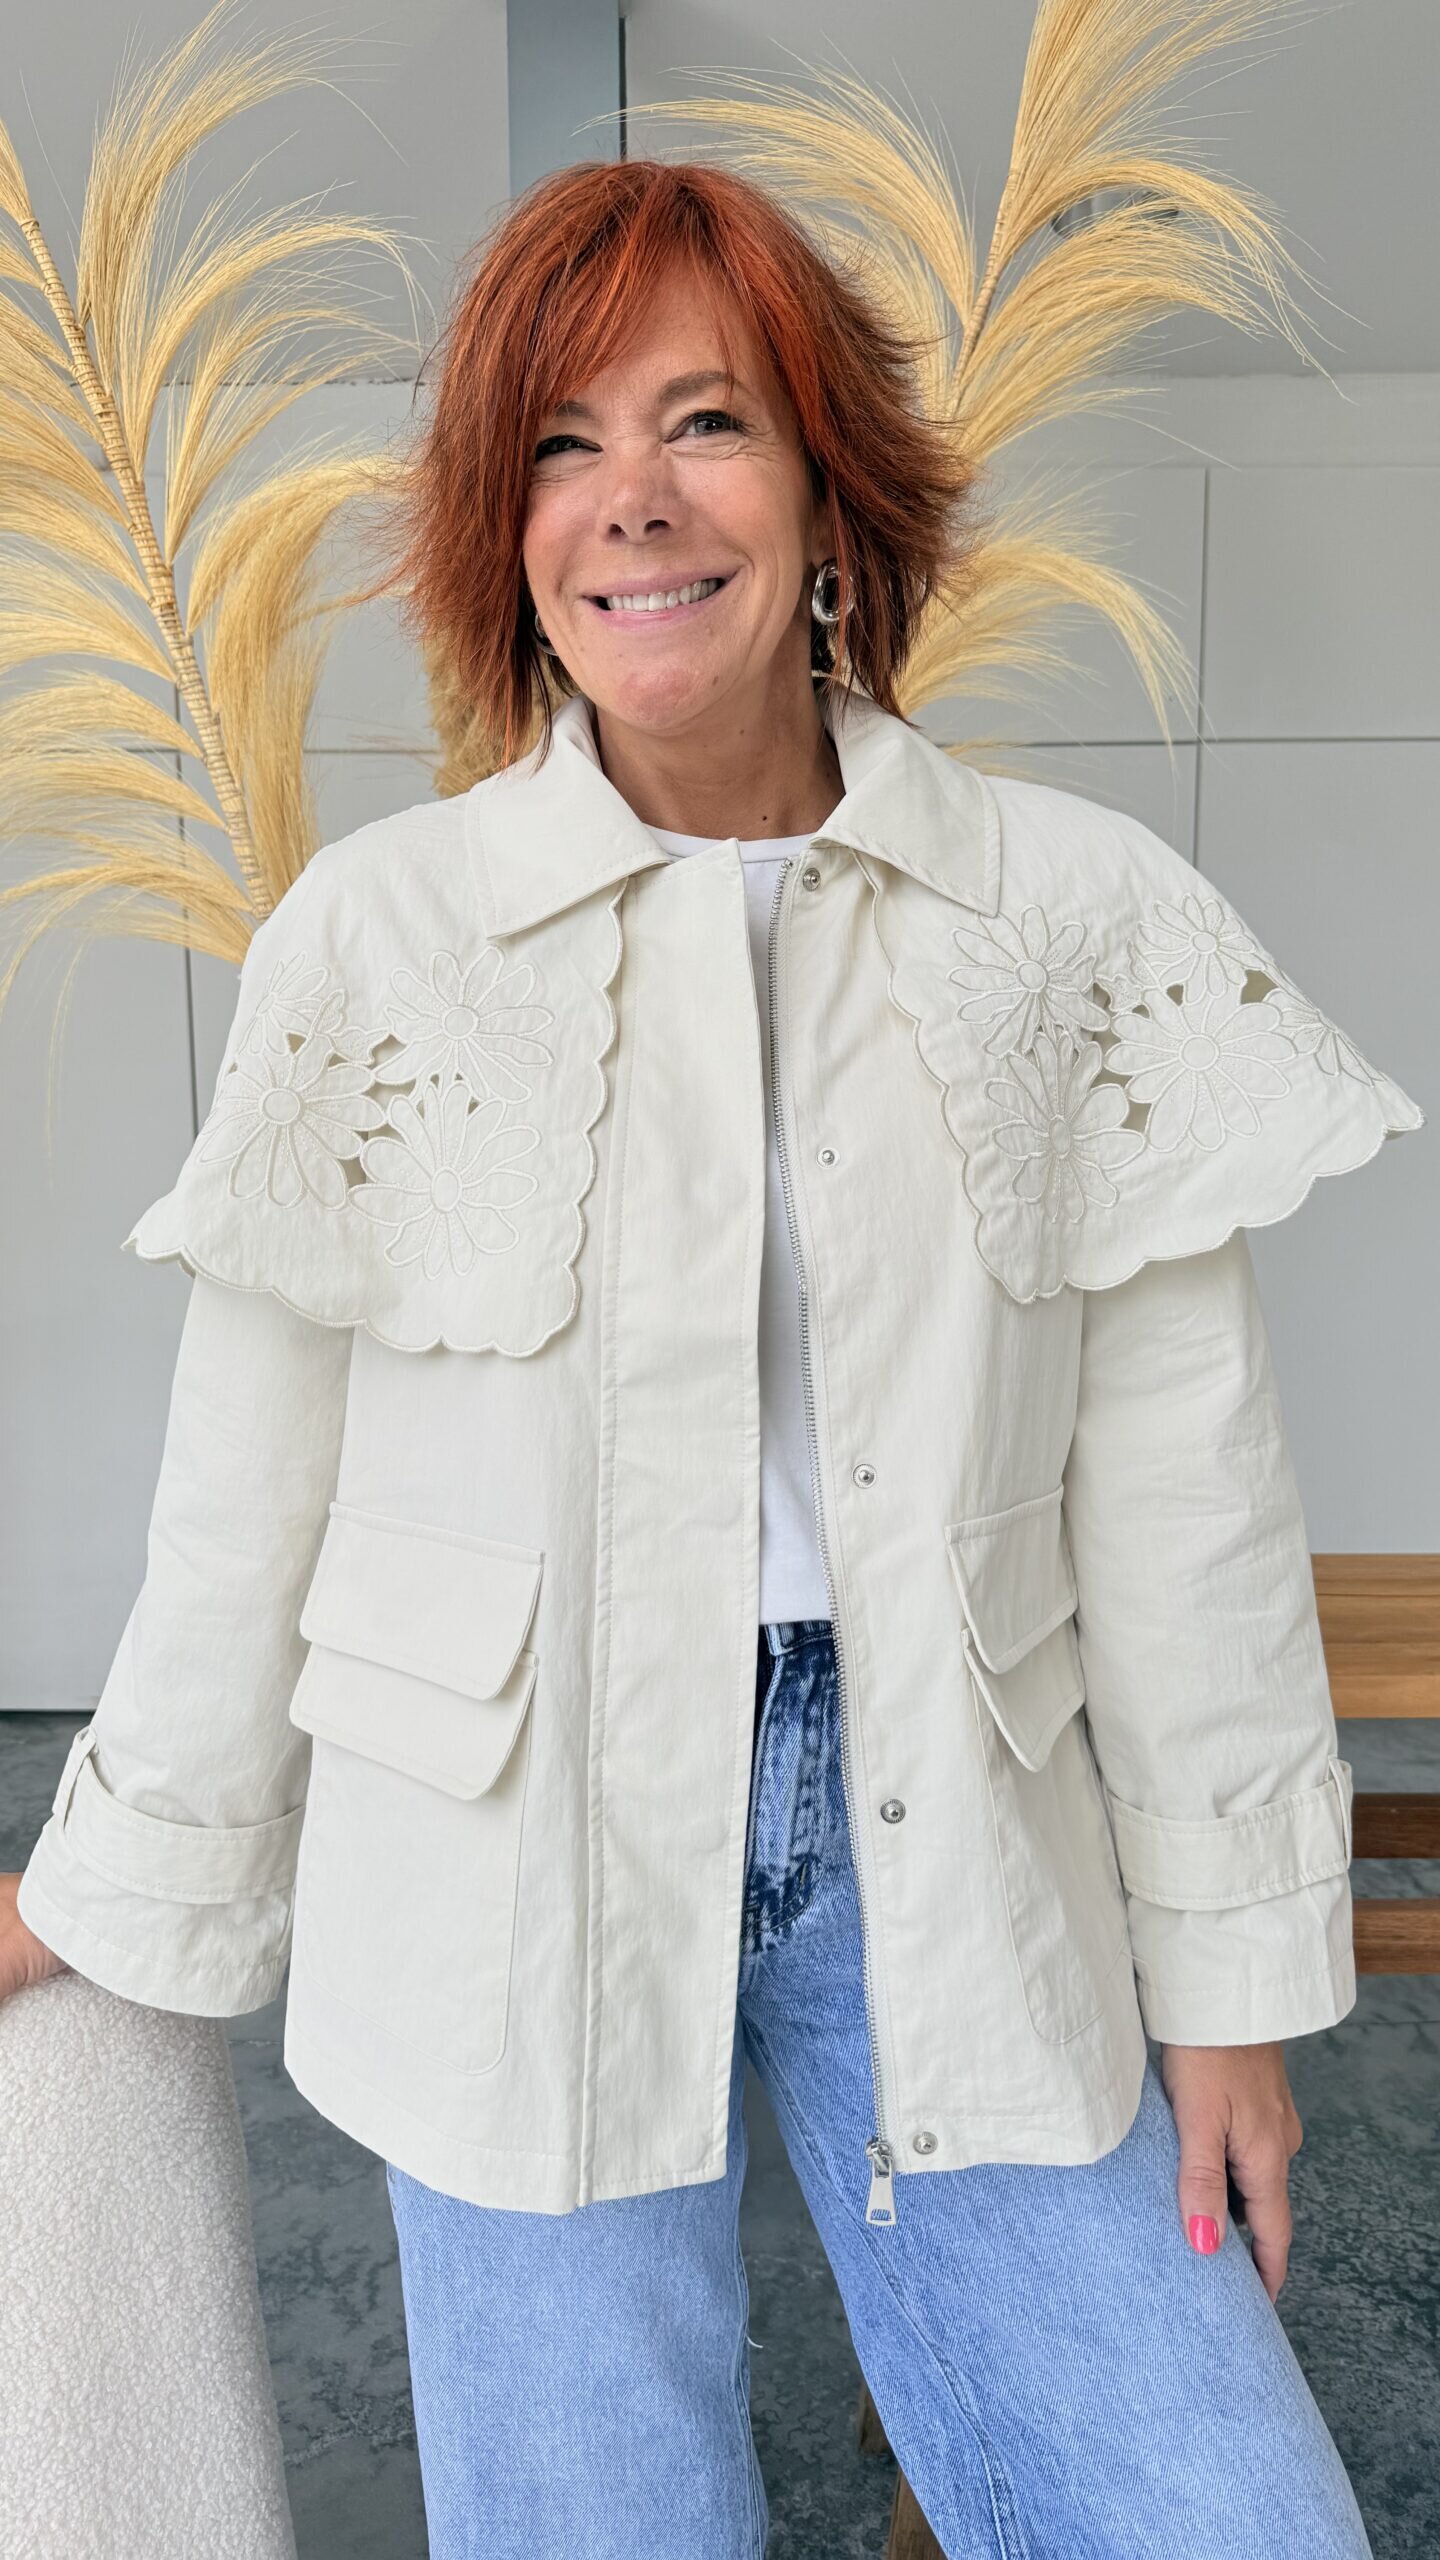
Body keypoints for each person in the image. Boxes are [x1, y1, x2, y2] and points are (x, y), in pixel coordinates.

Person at [3, 156, 1419, 2558]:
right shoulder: (383, 935)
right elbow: (249, 1488)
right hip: (507, 1829)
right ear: (505, 532)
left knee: (1230, 2517)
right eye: (560, 445)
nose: (632, 501)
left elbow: (1188, 1502)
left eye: (707, 422)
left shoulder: (1070, 914)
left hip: (954, 1807)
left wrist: (1233, 1992)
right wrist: (95, 1877)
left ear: (831, 494)